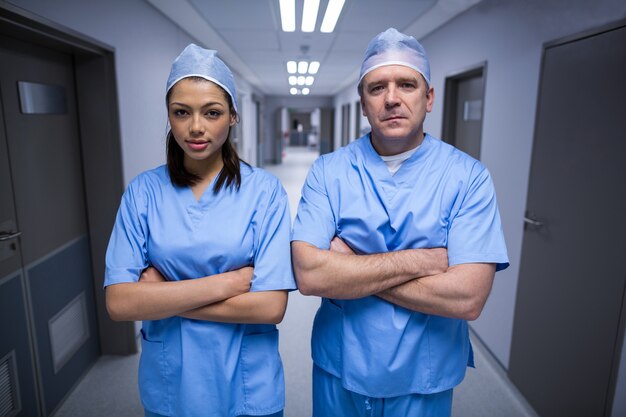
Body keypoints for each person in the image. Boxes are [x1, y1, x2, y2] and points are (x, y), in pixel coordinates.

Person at [291, 28, 509, 416]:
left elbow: (468, 297)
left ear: (428, 98)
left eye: (406, 84)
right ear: (362, 103)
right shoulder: (329, 171)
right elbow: (310, 276)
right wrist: (424, 261)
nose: (391, 98)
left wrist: (351, 266)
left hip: (423, 375)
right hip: (340, 366)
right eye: (377, 88)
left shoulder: (468, 177)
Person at [104, 44, 295, 417]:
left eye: (212, 112)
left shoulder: (265, 192)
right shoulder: (143, 192)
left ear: (233, 117)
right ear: (169, 116)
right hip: (171, 384)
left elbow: (270, 307)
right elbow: (119, 303)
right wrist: (229, 283)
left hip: (248, 388)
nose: (196, 127)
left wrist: (163, 297)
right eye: (181, 112)